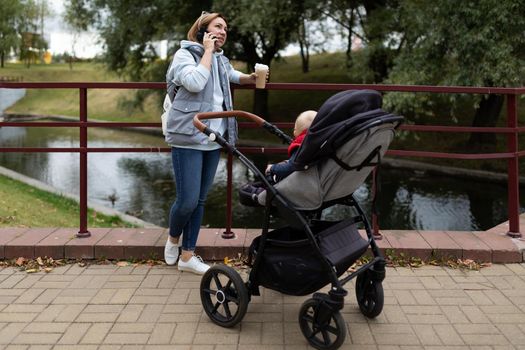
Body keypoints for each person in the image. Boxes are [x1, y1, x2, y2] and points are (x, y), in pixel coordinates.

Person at [164, 12, 264, 275]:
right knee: (186, 201)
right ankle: (173, 237)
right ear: (202, 31)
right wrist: (206, 51)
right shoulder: (184, 56)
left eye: (226, 28)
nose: (223, 31)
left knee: (199, 201)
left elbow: (231, 75)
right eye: (217, 27)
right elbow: (195, 83)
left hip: (213, 137)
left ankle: (187, 256)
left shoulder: (220, 60)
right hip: (188, 135)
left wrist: (249, 78)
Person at [265, 110, 317, 182]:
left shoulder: (302, 147)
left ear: (295, 131)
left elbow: (289, 168)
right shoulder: (317, 143)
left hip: (299, 184)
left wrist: (272, 168)